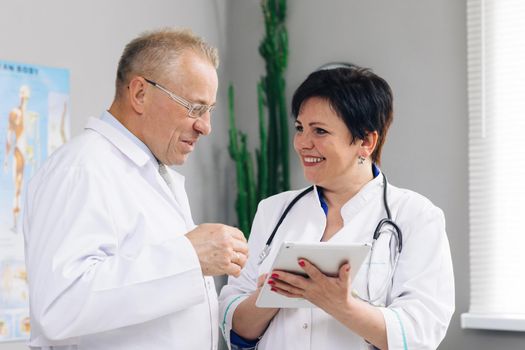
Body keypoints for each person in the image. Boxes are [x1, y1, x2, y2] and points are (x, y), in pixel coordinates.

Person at [23, 28, 249, 350]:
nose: (205, 126)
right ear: (140, 93)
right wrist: (189, 257)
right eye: (195, 108)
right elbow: (60, 306)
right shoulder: (82, 169)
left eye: (209, 111)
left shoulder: (151, 173)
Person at [219, 64, 454, 350]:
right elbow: (233, 322)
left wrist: (341, 305)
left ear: (366, 141)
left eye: (319, 131)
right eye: (300, 128)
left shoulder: (416, 217)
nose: (303, 143)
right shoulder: (273, 211)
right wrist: (269, 296)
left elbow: (421, 332)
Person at [4, 85, 31, 232]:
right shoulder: (16, 113)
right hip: (18, 153)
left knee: (22, 188)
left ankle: (17, 225)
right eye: (23, 94)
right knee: (17, 188)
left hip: (25, 155)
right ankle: (15, 224)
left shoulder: (28, 115)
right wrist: (6, 159)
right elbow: (9, 136)